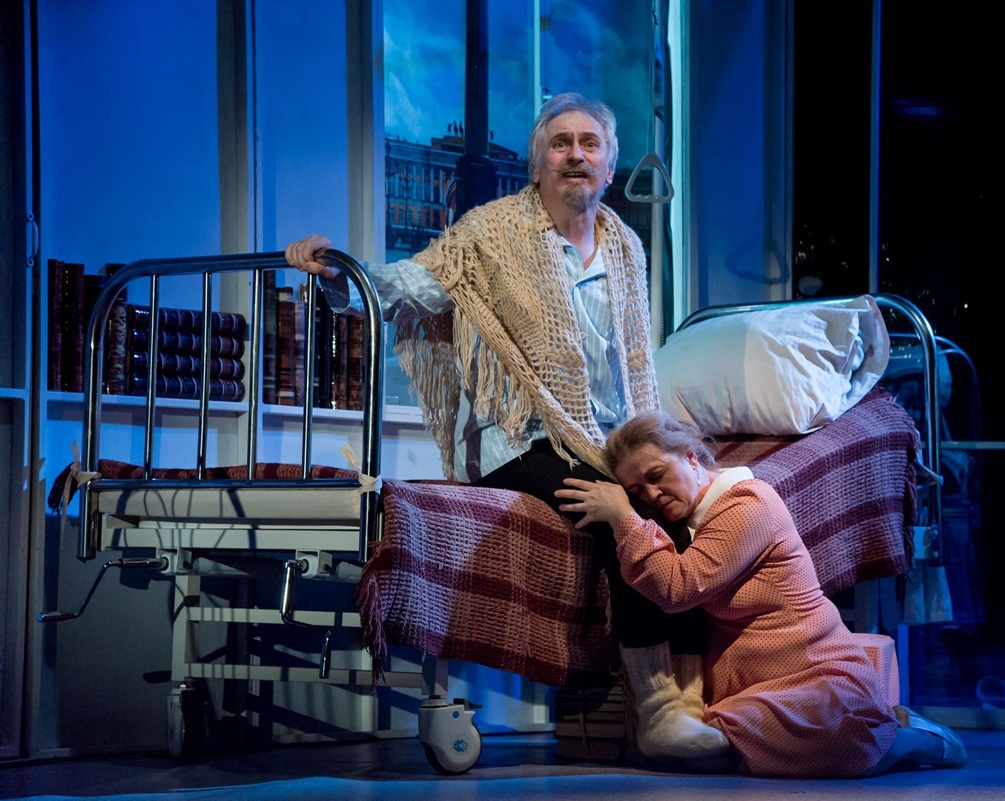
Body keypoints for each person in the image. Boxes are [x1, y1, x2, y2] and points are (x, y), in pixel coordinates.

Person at [285, 93, 727, 761]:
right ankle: (658, 710)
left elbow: (632, 363)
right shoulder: (490, 235)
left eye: (589, 144)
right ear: (537, 164)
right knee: (629, 518)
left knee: (687, 520)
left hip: (606, 438)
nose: (575, 155)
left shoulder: (625, 245)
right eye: (560, 144)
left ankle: (694, 702)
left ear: (608, 166)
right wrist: (336, 274)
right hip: (518, 438)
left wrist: (650, 448)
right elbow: (406, 286)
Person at [555, 410, 969, 778]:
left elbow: (679, 586)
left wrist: (624, 515)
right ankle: (881, 731)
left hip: (814, 673)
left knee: (841, 740)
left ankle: (905, 739)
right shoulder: (688, 521)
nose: (650, 495)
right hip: (751, 686)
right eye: (636, 492)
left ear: (691, 457)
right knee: (699, 745)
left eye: (656, 475)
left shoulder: (747, 503)